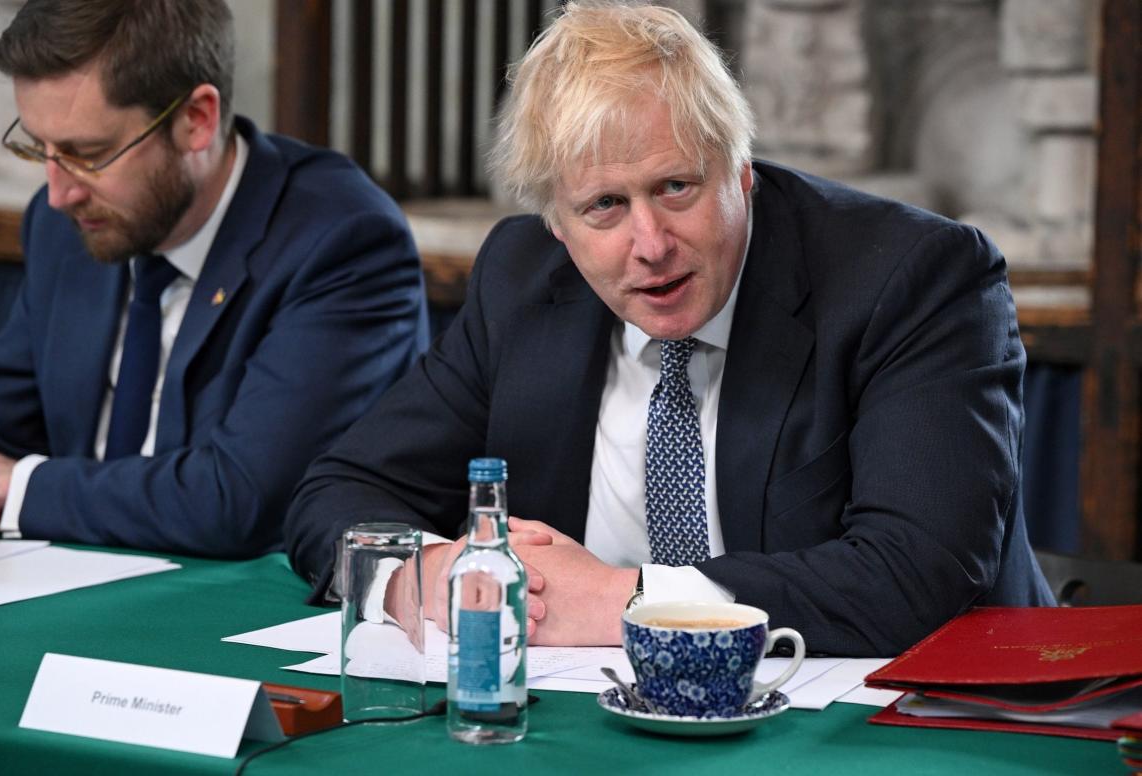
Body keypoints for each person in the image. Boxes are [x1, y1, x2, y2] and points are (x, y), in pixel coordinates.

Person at [283, 1, 1053, 656]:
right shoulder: (521, 280)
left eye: (676, 187)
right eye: (604, 208)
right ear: (557, 224)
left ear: (741, 169)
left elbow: (917, 573)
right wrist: (422, 578)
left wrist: (624, 600)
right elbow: (341, 490)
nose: (649, 243)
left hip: (912, 729)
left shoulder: (913, 277)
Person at [0, 0, 428, 558]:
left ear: (196, 119)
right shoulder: (66, 226)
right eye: (41, 149)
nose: (58, 192)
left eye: (88, 155)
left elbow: (240, 500)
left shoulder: (340, 242)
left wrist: (16, 486)